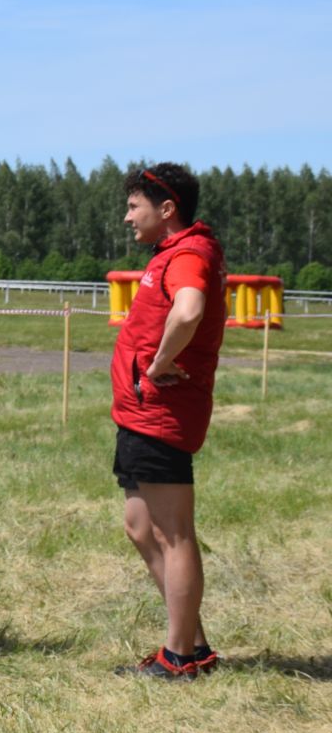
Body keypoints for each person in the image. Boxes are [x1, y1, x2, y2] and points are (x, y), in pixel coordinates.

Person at [111, 163, 227, 681]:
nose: (127, 217)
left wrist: (157, 365)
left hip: (161, 411)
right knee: (140, 527)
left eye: (134, 206)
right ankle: (194, 643)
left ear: (167, 209)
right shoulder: (171, 254)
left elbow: (189, 309)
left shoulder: (188, 254)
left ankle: (178, 657)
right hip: (142, 413)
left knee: (174, 533)